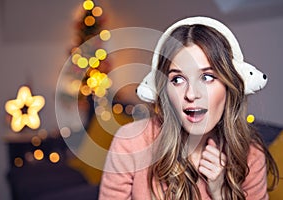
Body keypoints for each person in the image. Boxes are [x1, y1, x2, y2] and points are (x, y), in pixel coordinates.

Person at [99, 16, 279, 199]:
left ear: (229, 85)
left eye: (207, 77)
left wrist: (220, 193)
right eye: (177, 79)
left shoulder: (250, 154)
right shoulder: (131, 142)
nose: (191, 94)